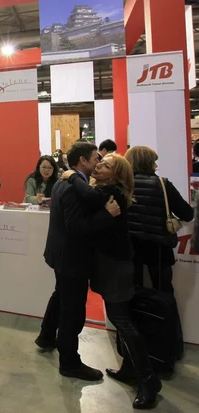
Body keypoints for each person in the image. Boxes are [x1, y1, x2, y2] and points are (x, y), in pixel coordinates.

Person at [64, 154, 161, 409]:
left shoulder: (112, 194)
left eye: (106, 166)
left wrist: (73, 175)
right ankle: (130, 368)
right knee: (120, 319)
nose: (98, 166)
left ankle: (148, 380)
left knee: (123, 321)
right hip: (110, 264)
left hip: (115, 265)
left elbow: (88, 197)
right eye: (100, 162)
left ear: (116, 175)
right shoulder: (105, 191)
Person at [37, 141, 121, 381]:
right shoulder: (74, 186)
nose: (98, 163)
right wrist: (106, 215)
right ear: (83, 160)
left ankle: (45, 336)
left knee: (61, 296)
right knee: (72, 310)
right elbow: (76, 227)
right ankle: (70, 362)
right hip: (71, 258)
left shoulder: (66, 180)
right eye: (96, 158)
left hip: (60, 254)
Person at [125, 146, 193, 293]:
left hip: (130, 247)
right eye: (154, 162)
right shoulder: (163, 184)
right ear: (148, 163)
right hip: (158, 247)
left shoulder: (122, 186)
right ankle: (165, 316)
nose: (156, 166)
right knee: (163, 291)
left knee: (134, 292)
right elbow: (187, 214)